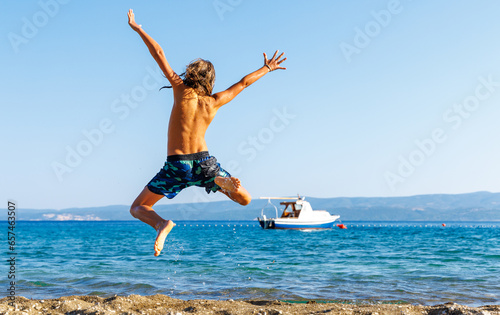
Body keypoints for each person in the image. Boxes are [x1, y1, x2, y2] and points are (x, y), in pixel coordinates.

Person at [127, 9, 287, 256]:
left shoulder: (180, 89)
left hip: (177, 165)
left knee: (138, 207)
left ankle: (161, 224)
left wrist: (138, 28)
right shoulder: (214, 101)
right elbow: (243, 83)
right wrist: (267, 68)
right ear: (210, 81)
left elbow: (158, 53)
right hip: (204, 162)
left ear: (191, 74)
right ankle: (220, 182)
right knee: (244, 199)